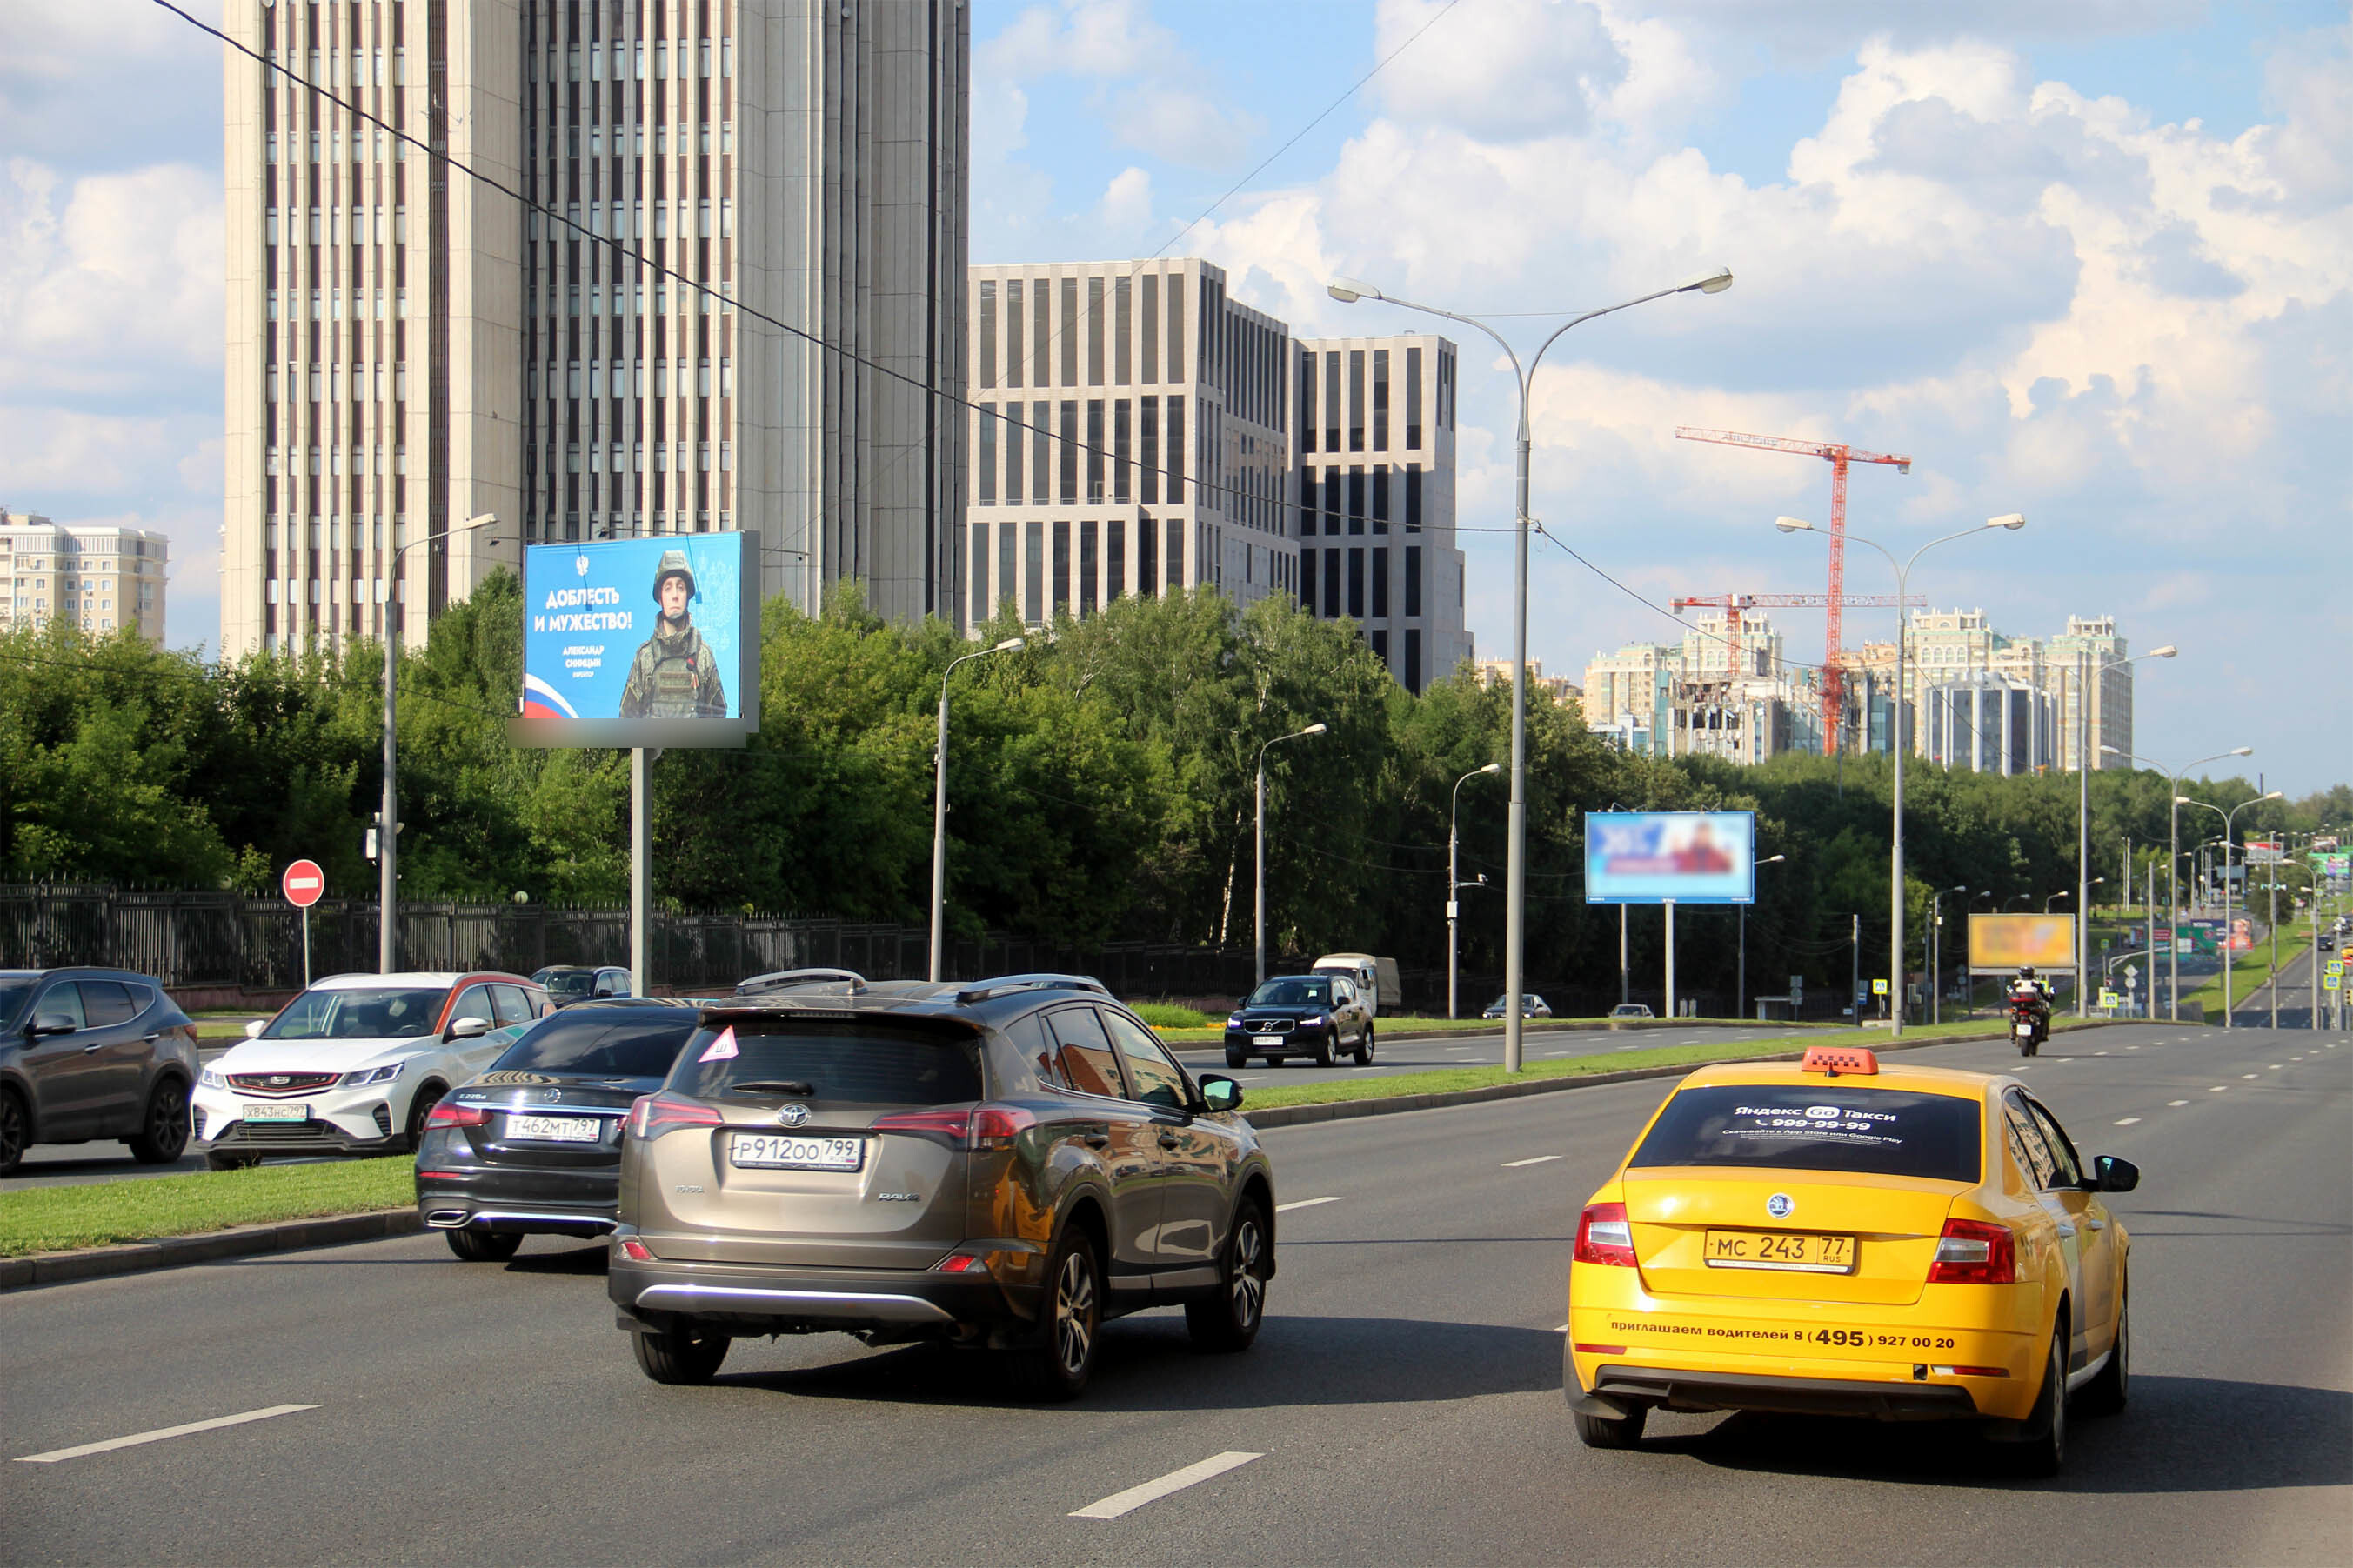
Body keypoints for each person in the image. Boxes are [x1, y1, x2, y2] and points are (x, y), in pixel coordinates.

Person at [618, 549, 728, 718]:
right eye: (668, 588)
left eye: (681, 588)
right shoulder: (645, 657)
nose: (675, 596)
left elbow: (719, 718)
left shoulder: (703, 656)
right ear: (660, 598)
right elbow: (627, 718)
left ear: (688, 596)